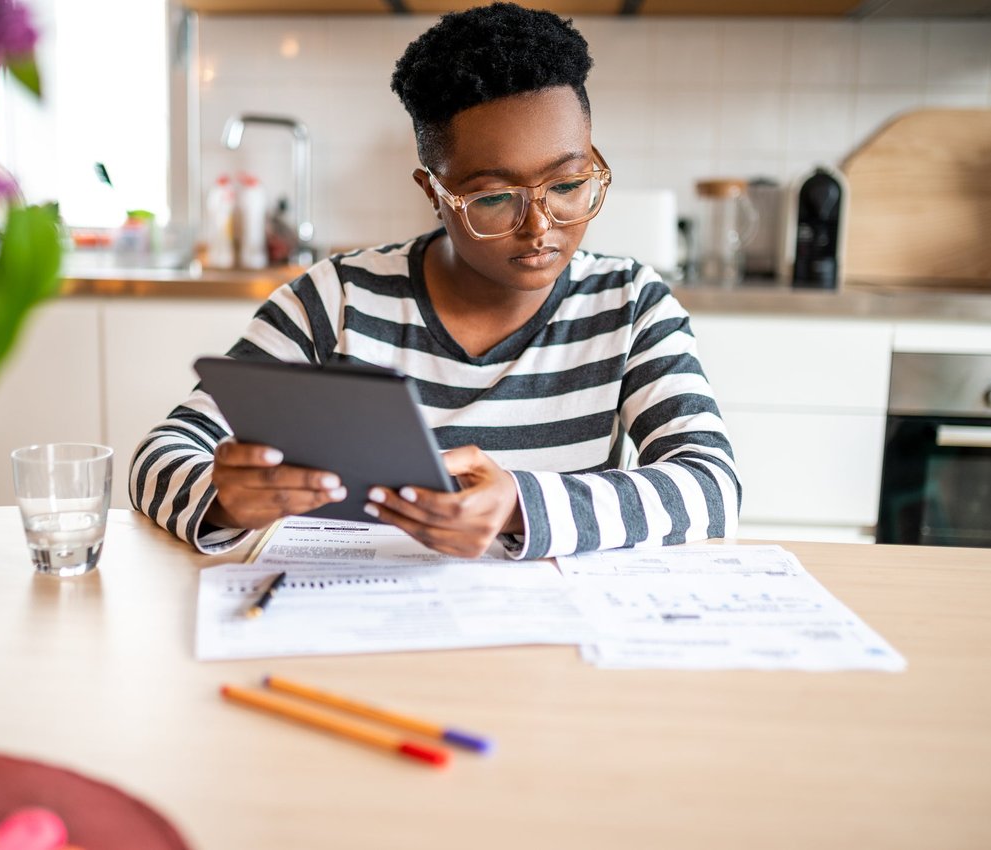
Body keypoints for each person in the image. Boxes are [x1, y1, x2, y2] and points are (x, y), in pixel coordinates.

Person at [130, 2, 740, 561]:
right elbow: (158, 457)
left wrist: (519, 506)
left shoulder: (628, 303)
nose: (540, 227)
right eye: (495, 197)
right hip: (368, 634)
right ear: (435, 193)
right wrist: (228, 498)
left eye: (567, 185)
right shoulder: (337, 299)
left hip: (553, 648)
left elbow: (711, 485)